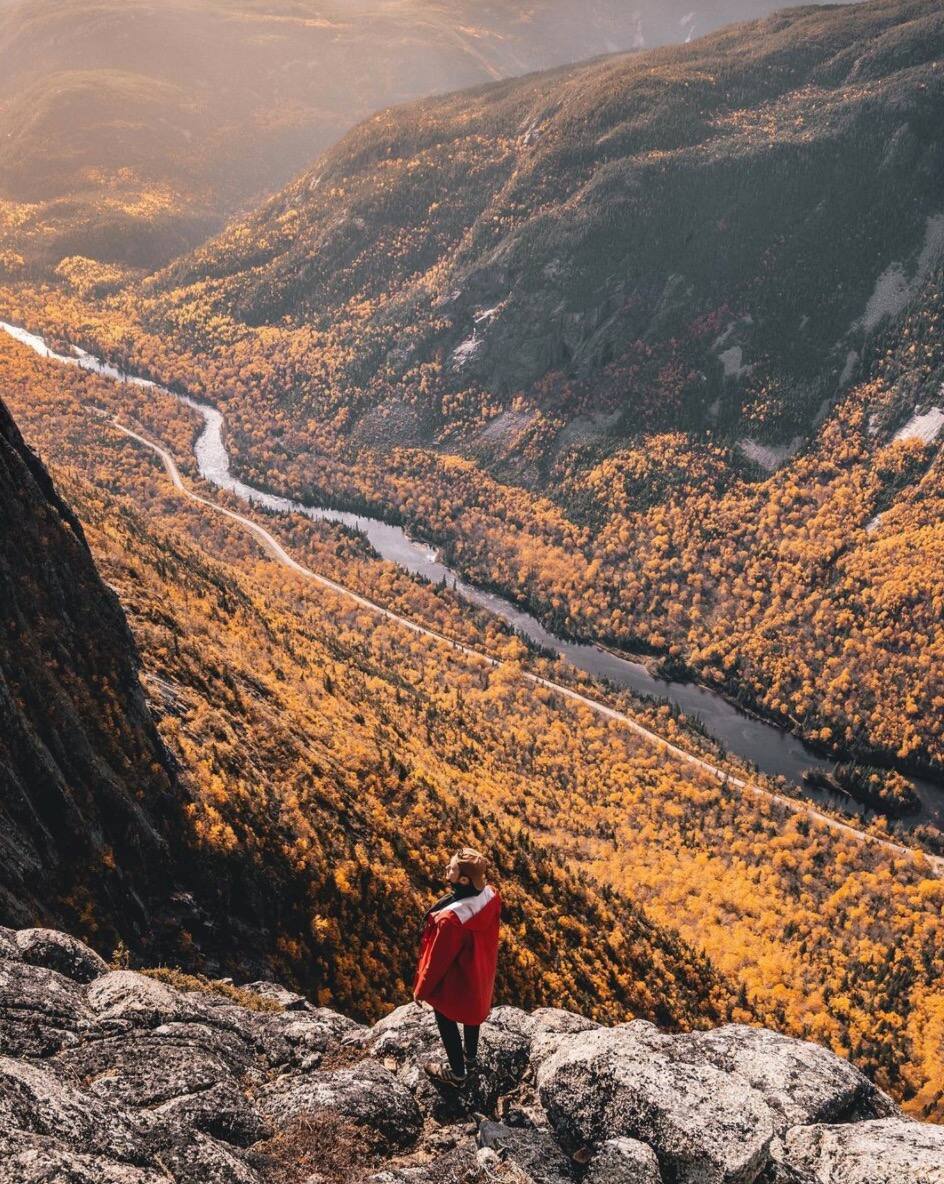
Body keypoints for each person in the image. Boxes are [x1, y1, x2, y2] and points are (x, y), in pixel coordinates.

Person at [413, 846, 501, 1086]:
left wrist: (421, 989)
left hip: (460, 975)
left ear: (463, 879)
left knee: (443, 1013)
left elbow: (437, 961)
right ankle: (470, 1056)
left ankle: (457, 1072)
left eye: (451, 869)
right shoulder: (491, 896)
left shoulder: (451, 920)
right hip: (480, 970)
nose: (446, 870)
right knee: (473, 1011)